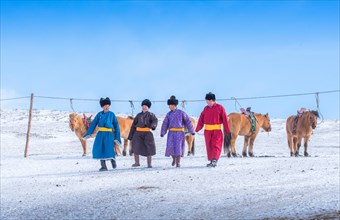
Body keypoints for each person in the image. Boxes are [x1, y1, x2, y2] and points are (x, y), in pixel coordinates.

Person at [83, 97, 121, 171]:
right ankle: (103, 166)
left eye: (108, 105)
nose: (106, 107)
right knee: (99, 148)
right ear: (102, 107)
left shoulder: (111, 114)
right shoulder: (99, 114)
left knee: (109, 148)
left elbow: (116, 125)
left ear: (109, 106)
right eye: (104, 106)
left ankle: (112, 160)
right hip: (100, 134)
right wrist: (89, 133)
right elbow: (94, 123)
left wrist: (117, 136)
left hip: (109, 134)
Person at [195, 92, 231, 167]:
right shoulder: (205, 108)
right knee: (209, 146)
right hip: (207, 131)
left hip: (216, 131)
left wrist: (227, 130)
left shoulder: (220, 108)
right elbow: (201, 118)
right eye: (206, 101)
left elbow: (224, 119)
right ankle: (212, 160)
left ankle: (215, 160)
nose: (207, 103)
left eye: (207, 101)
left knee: (216, 145)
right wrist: (197, 128)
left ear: (212, 100)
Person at [160, 96, 195, 167]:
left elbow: (188, 122)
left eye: (169, 105)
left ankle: (178, 162)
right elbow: (165, 123)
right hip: (171, 133)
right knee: (171, 146)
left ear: (173, 105)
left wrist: (192, 131)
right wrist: (163, 132)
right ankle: (174, 159)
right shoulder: (168, 114)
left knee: (178, 147)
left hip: (179, 133)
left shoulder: (181, 113)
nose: (169, 107)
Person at [128, 99, 158, 168]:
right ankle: (137, 162)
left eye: (146, 106)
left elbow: (155, 121)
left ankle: (149, 163)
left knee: (149, 148)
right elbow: (133, 126)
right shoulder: (138, 115)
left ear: (148, 107)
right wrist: (131, 136)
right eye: (143, 106)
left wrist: (153, 125)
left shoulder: (151, 115)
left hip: (147, 133)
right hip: (137, 133)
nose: (144, 107)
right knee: (136, 147)